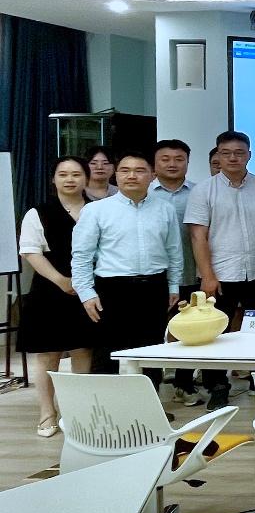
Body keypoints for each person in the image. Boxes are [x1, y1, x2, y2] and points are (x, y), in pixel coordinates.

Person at [71, 150, 182, 384]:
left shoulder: (165, 209)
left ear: (152, 175)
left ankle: (149, 402)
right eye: (125, 170)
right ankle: (107, 405)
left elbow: (174, 251)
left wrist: (173, 286)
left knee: (151, 350)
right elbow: (81, 256)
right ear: (116, 175)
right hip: (111, 289)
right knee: (108, 351)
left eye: (140, 171)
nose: (132, 176)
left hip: (154, 287)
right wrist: (86, 292)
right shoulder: (96, 210)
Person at [186, 129, 255, 408]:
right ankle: (217, 387)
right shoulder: (203, 190)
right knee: (214, 334)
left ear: (249, 155)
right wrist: (208, 276)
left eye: (239, 153)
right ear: (218, 156)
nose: (233, 158)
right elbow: (197, 236)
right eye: (226, 153)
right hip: (219, 274)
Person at [18, 156, 95, 437]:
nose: (70, 179)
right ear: (53, 179)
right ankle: (47, 412)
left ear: (86, 178)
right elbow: (30, 251)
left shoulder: (98, 209)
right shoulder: (37, 212)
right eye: (63, 174)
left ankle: (78, 412)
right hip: (49, 288)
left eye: (76, 174)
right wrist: (61, 281)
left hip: (90, 289)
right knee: (48, 354)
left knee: (83, 349)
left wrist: (83, 284)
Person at [150, 139, 198, 402]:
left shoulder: (198, 193)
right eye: (165, 159)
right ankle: (152, 388)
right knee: (154, 332)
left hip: (191, 272)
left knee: (191, 331)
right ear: (155, 163)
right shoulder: (145, 194)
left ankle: (184, 382)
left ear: (188, 163)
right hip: (155, 276)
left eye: (179, 159)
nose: (172, 164)